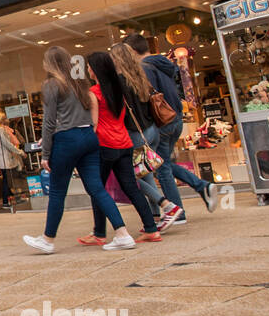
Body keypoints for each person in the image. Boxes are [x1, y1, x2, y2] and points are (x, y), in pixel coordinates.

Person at [23, 47, 134, 253]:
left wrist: (45, 153)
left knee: (57, 191)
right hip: (88, 137)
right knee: (97, 188)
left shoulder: (52, 84)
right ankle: (122, 233)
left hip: (66, 139)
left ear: (50, 63)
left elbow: (48, 122)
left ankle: (47, 239)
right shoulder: (80, 83)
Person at [120, 34, 218, 223]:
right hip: (175, 118)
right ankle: (200, 187)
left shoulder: (144, 68)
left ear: (131, 51)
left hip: (161, 123)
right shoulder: (162, 63)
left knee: (160, 166)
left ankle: (180, 209)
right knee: (160, 162)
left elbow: (146, 97)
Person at [79, 52, 161, 245]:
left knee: (97, 189)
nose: (88, 69)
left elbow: (95, 125)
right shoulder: (118, 90)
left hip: (105, 145)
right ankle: (151, 228)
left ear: (96, 69)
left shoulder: (94, 93)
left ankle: (99, 233)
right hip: (124, 143)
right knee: (132, 188)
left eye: (89, 66)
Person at [111, 43, 182, 231]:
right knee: (145, 172)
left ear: (117, 59)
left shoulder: (119, 81)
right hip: (151, 129)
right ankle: (156, 216)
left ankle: (167, 205)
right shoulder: (140, 75)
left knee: (128, 175)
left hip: (135, 132)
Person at [0, 111, 26, 208]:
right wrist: (20, 152)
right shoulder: (0, 131)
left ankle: (14, 198)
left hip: (2, 156)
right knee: (7, 180)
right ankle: (6, 201)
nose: (7, 120)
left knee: (7, 179)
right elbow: (8, 144)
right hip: (4, 157)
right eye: (5, 118)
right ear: (2, 120)